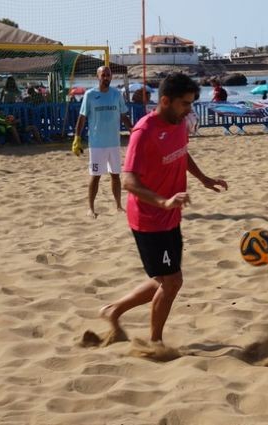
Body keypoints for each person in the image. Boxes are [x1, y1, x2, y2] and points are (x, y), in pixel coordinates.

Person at [99, 73, 228, 345]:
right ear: (166, 101)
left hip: (171, 215)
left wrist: (203, 179)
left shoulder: (179, 123)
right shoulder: (144, 131)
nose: (189, 110)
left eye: (192, 104)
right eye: (185, 104)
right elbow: (128, 181)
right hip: (149, 219)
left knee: (164, 279)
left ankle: (114, 310)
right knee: (172, 282)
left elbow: (182, 152)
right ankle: (155, 344)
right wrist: (163, 202)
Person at [72, 66, 133, 218]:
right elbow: (82, 117)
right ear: (98, 77)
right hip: (97, 144)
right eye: (103, 75)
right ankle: (91, 208)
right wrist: (77, 138)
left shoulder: (116, 94)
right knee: (96, 175)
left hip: (114, 142)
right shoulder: (90, 95)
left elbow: (124, 115)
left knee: (115, 175)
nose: (106, 77)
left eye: (108, 75)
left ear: (111, 77)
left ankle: (119, 206)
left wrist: (134, 131)